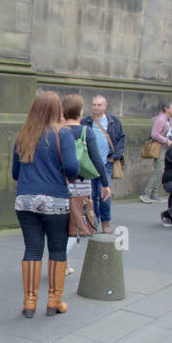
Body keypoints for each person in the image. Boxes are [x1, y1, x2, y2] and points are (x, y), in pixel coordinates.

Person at [13, 91, 78, 317]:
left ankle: (29, 303)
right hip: (56, 200)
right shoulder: (63, 135)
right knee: (57, 249)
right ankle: (54, 301)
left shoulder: (23, 135)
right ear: (56, 110)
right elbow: (72, 168)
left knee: (32, 248)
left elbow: (15, 173)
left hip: (25, 199)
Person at [62, 94, 110, 269]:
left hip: (60, 183)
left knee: (62, 226)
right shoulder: (85, 131)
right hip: (80, 185)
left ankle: (61, 260)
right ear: (80, 111)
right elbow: (97, 160)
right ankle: (61, 260)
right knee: (77, 227)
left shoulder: (57, 130)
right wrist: (105, 183)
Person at [81, 95, 124, 233]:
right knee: (91, 195)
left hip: (106, 163)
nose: (96, 107)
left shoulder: (113, 121)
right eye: (94, 105)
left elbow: (121, 139)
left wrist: (115, 156)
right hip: (90, 164)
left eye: (99, 105)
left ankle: (106, 221)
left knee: (103, 193)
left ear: (105, 106)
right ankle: (94, 221)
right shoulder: (86, 122)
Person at [140, 100, 172, 203]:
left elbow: (170, 132)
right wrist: (166, 141)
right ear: (166, 108)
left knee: (161, 170)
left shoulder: (169, 119)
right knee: (159, 171)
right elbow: (154, 134)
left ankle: (154, 193)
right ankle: (146, 193)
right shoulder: (161, 119)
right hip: (159, 147)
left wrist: (171, 141)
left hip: (165, 147)